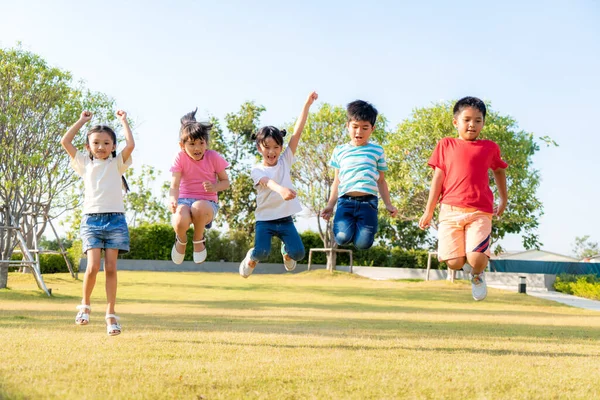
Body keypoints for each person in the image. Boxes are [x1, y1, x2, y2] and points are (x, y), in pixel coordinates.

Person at [418, 96, 508, 301]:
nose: (472, 125)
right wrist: (428, 210)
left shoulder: (490, 147)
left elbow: (499, 172)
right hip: (450, 211)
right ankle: (467, 265)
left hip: (480, 212)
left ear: (483, 123)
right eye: (467, 119)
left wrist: (503, 199)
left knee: (476, 259)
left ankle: (477, 274)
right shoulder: (445, 145)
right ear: (455, 122)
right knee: (454, 262)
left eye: (478, 120)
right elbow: (438, 179)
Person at [61, 110, 134, 336]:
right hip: (91, 220)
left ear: (113, 146)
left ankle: (111, 315)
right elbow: (65, 141)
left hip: (115, 220)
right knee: (92, 267)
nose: (101, 146)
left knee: (111, 268)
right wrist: (82, 121)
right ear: (88, 146)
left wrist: (123, 121)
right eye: (96, 143)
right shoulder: (84, 163)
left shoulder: (117, 163)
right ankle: (85, 305)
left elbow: (130, 144)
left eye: (106, 143)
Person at [239, 91, 318, 278]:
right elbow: (268, 183)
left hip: (285, 219)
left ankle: (286, 252)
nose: (272, 152)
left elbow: (297, 133)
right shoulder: (257, 170)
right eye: (267, 147)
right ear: (259, 148)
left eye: (276, 147)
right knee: (262, 253)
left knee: (298, 254)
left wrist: (307, 104)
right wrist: (282, 190)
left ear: (281, 148)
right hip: (265, 221)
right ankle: (251, 257)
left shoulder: (285, 161)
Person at [321, 100, 398, 249]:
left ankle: (363, 231)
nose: (359, 132)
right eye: (355, 127)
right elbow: (337, 180)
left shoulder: (377, 151)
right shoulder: (339, 150)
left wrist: (388, 204)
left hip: (368, 203)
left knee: (363, 244)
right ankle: (346, 229)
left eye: (364, 128)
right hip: (345, 202)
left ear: (372, 129)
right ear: (347, 126)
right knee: (342, 238)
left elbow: (381, 181)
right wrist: (330, 205)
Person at [169, 108, 230, 264]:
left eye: (201, 143)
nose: (197, 148)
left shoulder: (213, 157)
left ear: (206, 143)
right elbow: (174, 185)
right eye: (192, 144)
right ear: (182, 145)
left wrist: (214, 187)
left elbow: (225, 182)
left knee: (198, 206)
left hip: (207, 205)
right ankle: (181, 240)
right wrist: (173, 199)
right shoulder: (180, 157)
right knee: (179, 220)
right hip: (184, 201)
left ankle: (198, 239)